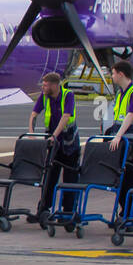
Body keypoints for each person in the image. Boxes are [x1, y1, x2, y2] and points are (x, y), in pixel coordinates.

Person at [27, 72, 80, 219]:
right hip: (53, 145)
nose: (43, 88)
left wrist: (54, 136)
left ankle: (68, 211)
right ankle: (43, 209)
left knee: (70, 179)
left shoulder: (68, 95)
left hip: (69, 144)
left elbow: (66, 116)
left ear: (55, 85)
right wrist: (31, 133)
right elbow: (34, 114)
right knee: (49, 178)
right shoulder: (44, 96)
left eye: (45, 85)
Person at [108, 61, 133, 213]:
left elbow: (131, 115)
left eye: (113, 73)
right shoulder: (120, 94)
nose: (112, 77)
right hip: (122, 144)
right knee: (120, 181)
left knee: (131, 181)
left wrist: (118, 136)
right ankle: (125, 211)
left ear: (121, 74)